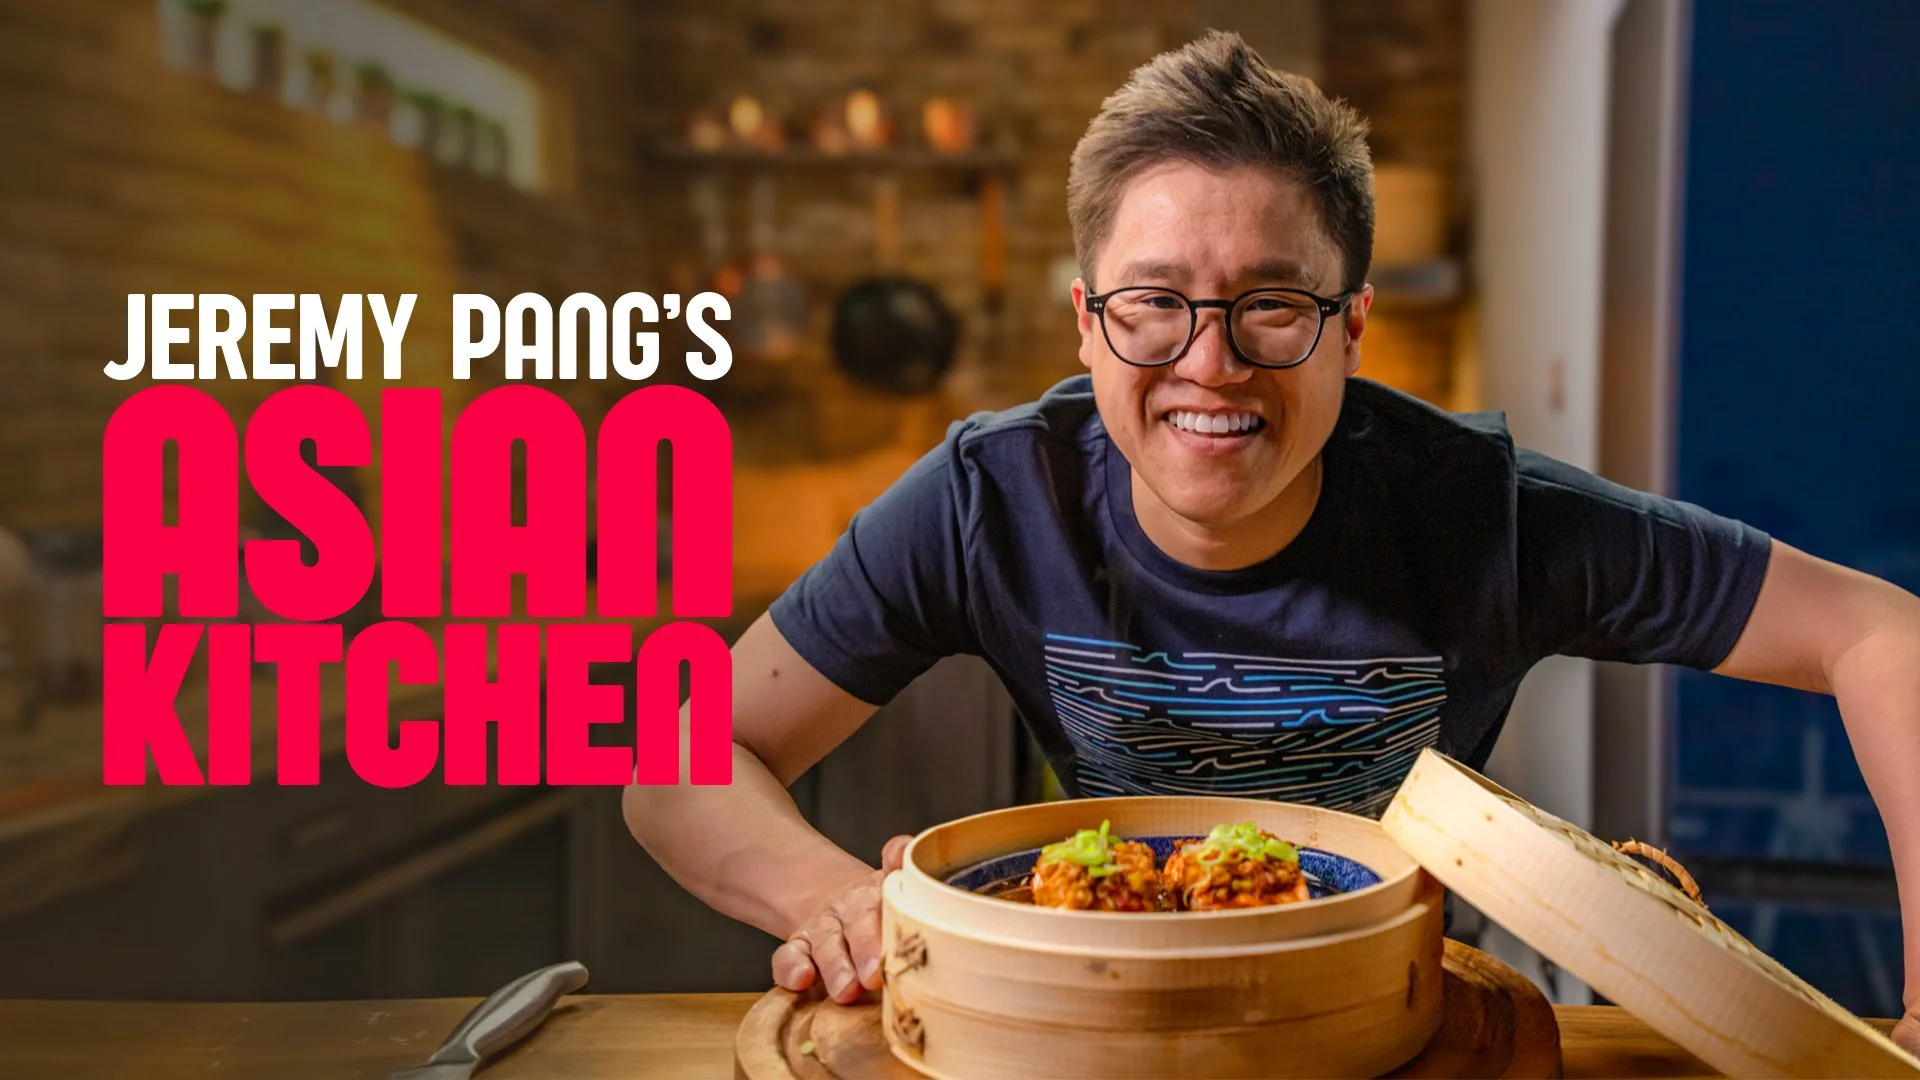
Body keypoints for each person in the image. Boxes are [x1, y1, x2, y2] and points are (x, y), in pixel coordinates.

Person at [624, 31, 1920, 1048]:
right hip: (1103, 1019)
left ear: (1352, 327)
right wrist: (832, 902)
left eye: (1271, 307)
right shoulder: (988, 498)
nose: (1210, 363)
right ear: (1087, 322)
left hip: (1411, 1027)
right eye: (1155, 305)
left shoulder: (1484, 513)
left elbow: (1878, 631)